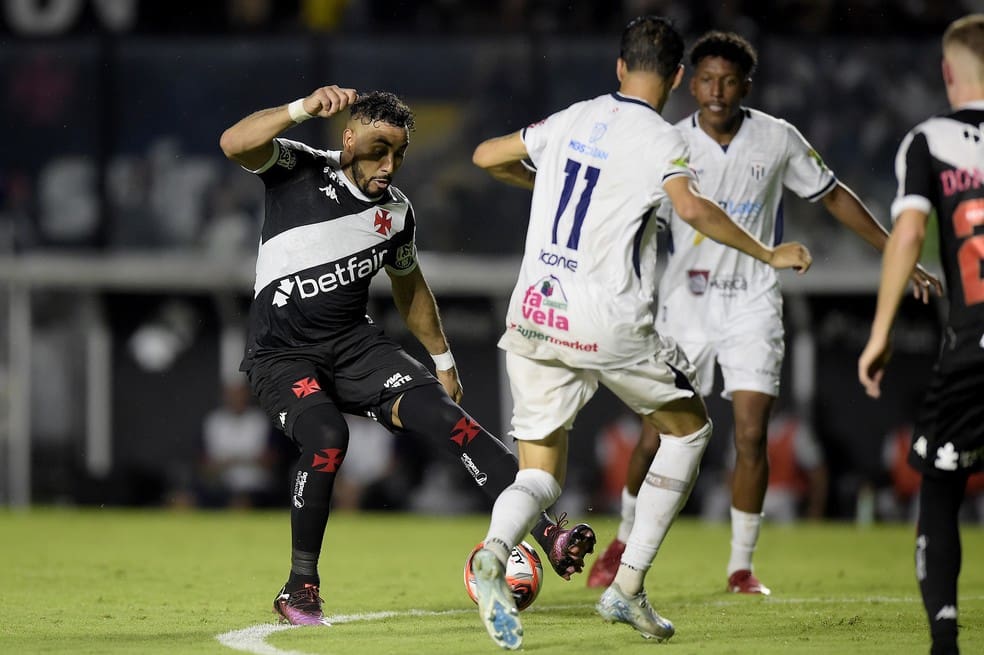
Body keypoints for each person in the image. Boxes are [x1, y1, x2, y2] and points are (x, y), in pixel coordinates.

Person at [467, 15, 813, 650]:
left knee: (540, 475)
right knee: (692, 431)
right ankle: (626, 589)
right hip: (608, 318)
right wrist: (768, 255)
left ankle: (492, 553)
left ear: (619, 68)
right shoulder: (661, 140)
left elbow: (487, 156)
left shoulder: (572, 118)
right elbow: (691, 207)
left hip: (537, 312)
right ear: (679, 78)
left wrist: (542, 183)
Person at [218, 86, 595, 627]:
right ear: (347, 138)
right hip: (282, 355)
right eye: (377, 149)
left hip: (355, 347)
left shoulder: (396, 213)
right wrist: (301, 110)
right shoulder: (297, 167)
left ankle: (549, 535)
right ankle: (300, 587)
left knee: (451, 420)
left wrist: (443, 360)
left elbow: (409, 287)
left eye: (398, 154)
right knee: (327, 437)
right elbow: (233, 143)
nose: (388, 165)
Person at [586, 29, 943, 595]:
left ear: (745, 85)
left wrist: (896, 253)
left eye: (729, 81)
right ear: (688, 82)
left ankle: (740, 567)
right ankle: (622, 544)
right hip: (683, 309)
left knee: (751, 433)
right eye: (706, 79)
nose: (717, 91)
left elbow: (832, 194)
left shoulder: (777, 138)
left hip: (752, 302)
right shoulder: (666, 142)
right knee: (655, 435)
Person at [858, 15, 984, 655]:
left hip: (972, 346)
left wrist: (880, 332)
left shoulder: (929, 140)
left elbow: (907, 235)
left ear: (946, 71)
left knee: (940, 487)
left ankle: (944, 639)